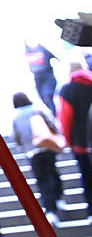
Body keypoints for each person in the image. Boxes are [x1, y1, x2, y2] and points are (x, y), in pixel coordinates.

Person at [10, 92, 64, 225]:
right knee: (53, 172)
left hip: (32, 151)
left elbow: (16, 137)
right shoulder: (37, 110)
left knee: (42, 180)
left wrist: (24, 146)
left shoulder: (16, 118)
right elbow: (52, 124)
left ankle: (50, 210)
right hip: (47, 146)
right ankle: (58, 197)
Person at [59, 55, 92, 220]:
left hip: (81, 143)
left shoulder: (68, 89)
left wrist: (68, 140)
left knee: (87, 177)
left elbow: (65, 117)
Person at [25, 37, 59, 114]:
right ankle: (53, 114)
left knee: (48, 96)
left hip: (47, 76)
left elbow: (56, 57)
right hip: (37, 78)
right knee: (43, 99)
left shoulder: (43, 50)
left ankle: (55, 114)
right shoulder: (27, 52)